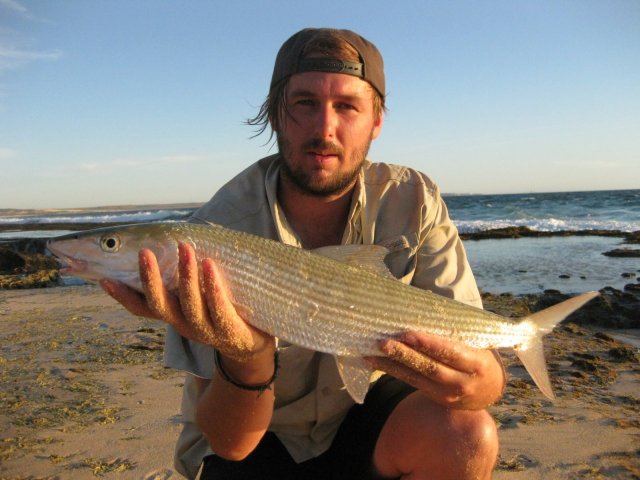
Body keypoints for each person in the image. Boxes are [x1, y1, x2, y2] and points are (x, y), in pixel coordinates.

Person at [101, 28, 505, 480]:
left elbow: (477, 367)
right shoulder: (210, 234)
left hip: (371, 413)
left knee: (468, 432)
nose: (324, 129)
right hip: (258, 431)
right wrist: (248, 355)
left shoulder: (415, 199)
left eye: (347, 106)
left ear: (376, 121)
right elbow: (231, 444)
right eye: (305, 103)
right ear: (277, 114)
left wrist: (483, 383)